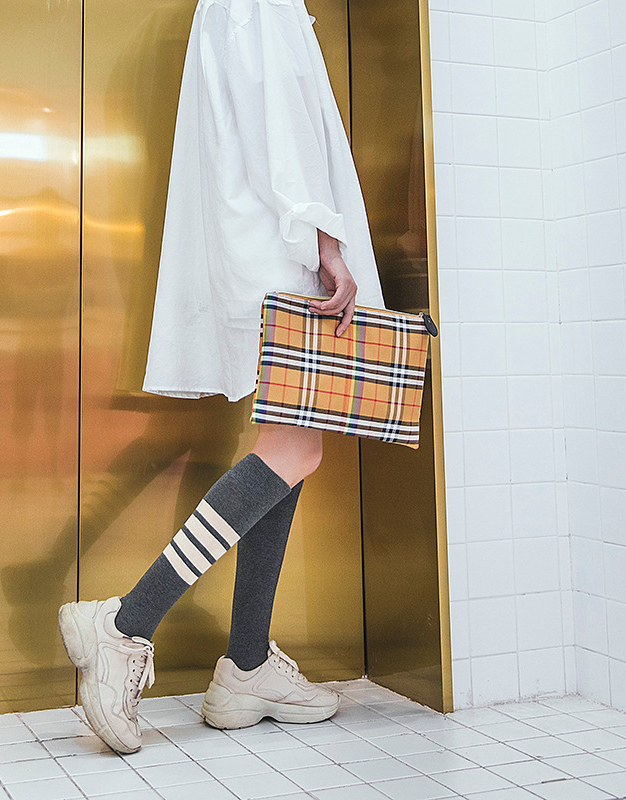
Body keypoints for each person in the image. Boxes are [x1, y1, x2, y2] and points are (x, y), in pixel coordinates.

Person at [58, 0, 385, 754]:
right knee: (295, 449)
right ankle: (125, 623)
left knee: (291, 450)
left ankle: (247, 663)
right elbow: (284, 133)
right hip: (283, 256)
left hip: (257, 252)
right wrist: (327, 244)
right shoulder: (263, 4)